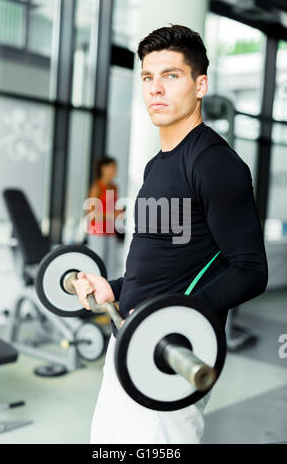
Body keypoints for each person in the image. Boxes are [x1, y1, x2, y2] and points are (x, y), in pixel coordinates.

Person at [73, 25, 268, 444]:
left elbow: (251, 269)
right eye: (148, 77)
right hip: (129, 338)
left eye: (171, 75)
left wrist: (174, 317)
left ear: (200, 85)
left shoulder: (216, 164)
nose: (155, 89)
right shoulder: (156, 165)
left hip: (171, 352)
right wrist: (115, 288)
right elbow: (162, 264)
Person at [85, 157, 124, 279]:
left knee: (112, 265)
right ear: (103, 168)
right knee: (98, 263)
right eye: (112, 167)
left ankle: (110, 293)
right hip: (97, 232)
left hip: (110, 231)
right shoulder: (97, 187)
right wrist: (112, 215)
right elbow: (91, 213)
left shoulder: (114, 187)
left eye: (115, 168)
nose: (115, 170)